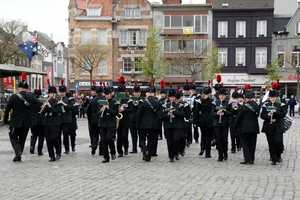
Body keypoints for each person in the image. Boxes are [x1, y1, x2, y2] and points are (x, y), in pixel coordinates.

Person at [4, 72, 36, 162]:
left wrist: (5, 120)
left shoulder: (14, 97)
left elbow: (7, 109)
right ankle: (19, 155)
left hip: (16, 121)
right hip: (27, 122)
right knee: (22, 139)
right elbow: (35, 106)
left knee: (13, 137)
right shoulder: (31, 97)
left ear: (19, 88)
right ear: (27, 88)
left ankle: (18, 151)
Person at [260, 87, 287, 165]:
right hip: (269, 125)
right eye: (271, 97)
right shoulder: (265, 105)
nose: (272, 99)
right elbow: (262, 116)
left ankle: (278, 155)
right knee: (271, 143)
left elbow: (283, 114)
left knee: (278, 141)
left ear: (276, 98)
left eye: (274, 97)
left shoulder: (281, 105)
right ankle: (273, 159)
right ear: (269, 98)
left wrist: (276, 112)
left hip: (278, 125)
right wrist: (268, 115)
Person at [234, 87, 260, 164]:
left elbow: (239, 118)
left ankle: (247, 159)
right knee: (252, 143)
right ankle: (252, 158)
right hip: (254, 127)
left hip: (245, 128)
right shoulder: (256, 106)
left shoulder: (243, 107)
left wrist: (235, 127)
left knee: (245, 143)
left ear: (245, 97)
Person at [136, 85, 161, 162]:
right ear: (153, 93)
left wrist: (138, 124)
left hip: (144, 124)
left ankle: (145, 150)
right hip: (154, 124)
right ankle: (149, 155)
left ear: (146, 93)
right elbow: (160, 114)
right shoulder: (158, 102)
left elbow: (139, 114)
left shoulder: (142, 102)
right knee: (152, 140)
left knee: (142, 139)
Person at [162, 83, 185, 162]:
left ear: (175, 98)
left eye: (173, 97)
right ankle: (171, 156)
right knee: (169, 141)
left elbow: (182, 115)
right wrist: (167, 115)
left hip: (176, 125)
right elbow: (161, 116)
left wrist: (175, 112)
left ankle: (176, 153)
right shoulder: (165, 105)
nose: (171, 99)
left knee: (176, 140)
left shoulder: (179, 105)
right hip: (168, 125)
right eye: (170, 97)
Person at [42, 80, 61, 162]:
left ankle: (58, 151)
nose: (50, 95)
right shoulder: (47, 102)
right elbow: (43, 113)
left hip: (55, 122)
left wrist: (49, 106)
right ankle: (51, 156)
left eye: (52, 93)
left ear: (55, 94)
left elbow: (57, 111)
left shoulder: (58, 102)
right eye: (49, 93)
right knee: (48, 140)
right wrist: (43, 107)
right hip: (47, 122)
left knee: (53, 138)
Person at [98, 86, 119, 163]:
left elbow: (116, 113)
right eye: (105, 94)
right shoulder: (102, 101)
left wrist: (108, 109)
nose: (107, 96)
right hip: (103, 123)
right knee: (103, 140)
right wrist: (100, 110)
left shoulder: (115, 102)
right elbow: (97, 112)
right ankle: (106, 157)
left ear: (111, 94)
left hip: (111, 123)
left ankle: (113, 152)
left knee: (109, 138)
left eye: (108, 94)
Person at [194, 81, 214, 158]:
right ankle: (208, 153)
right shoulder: (212, 101)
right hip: (209, 118)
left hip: (202, 117)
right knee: (208, 136)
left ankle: (202, 148)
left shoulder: (199, 101)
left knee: (203, 135)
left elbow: (196, 112)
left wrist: (195, 121)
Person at [211, 87, 232, 162]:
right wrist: (217, 113)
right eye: (220, 95)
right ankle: (220, 156)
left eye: (223, 95)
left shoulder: (228, 103)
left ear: (225, 96)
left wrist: (225, 111)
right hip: (217, 123)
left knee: (224, 140)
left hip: (225, 123)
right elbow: (212, 113)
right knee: (219, 140)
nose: (221, 97)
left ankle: (225, 153)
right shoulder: (215, 102)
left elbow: (231, 113)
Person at [116, 76, 132, 157]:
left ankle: (126, 148)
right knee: (119, 137)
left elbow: (131, 110)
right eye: (119, 92)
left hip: (125, 120)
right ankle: (119, 151)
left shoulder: (128, 100)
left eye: (122, 92)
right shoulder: (116, 100)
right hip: (118, 121)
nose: (120, 93)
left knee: (124, 136)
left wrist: (124, 110)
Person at [87, 82, 105, 155]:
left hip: (94, 119)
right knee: (102, 136)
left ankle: (94, 147)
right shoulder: (104, 99)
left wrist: (90, 119)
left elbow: (88, 111)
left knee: (95, 134)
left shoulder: (92, 100)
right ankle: (101, 151)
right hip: (102, 119)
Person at [58, 79, 74, 154]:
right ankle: (58, 148)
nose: (62, 94)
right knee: (58, 135)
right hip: (58, 119)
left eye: (63, 92)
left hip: (66, 119)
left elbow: (72, 108)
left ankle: (67, 148)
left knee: (65, 135)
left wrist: (65, 105)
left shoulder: (69, 99)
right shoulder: (57, 99)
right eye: (60, 92)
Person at [30, 85, 45, 156]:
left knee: (34, 135)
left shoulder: (31, 101)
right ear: (40, 95)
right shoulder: (42, 101)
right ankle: (39, 151)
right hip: (41, 120)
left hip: (33, 120)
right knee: (41, 136)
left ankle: (32, 146)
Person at [129, 81, 142, 154]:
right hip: (132, 120)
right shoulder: (130, 101)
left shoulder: (142, 100)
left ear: (140, 93)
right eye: (135, 92)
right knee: (133, 135)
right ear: (133, 93)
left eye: (138, 92)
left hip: (140, 120)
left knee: (141, 134)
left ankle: (141, 146)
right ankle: (134, 148)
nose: (137, 93)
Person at [84, 81, 97, 147]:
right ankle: (92, 142)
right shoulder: (88, 98)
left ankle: (96, 141)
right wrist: (86, 111)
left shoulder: (98, 97)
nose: (92, 92)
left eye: (94, 91)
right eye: (92, 91)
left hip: (97, 115)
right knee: (91, 130)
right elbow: (84, 105)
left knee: (96, 130)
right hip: (90, 116)